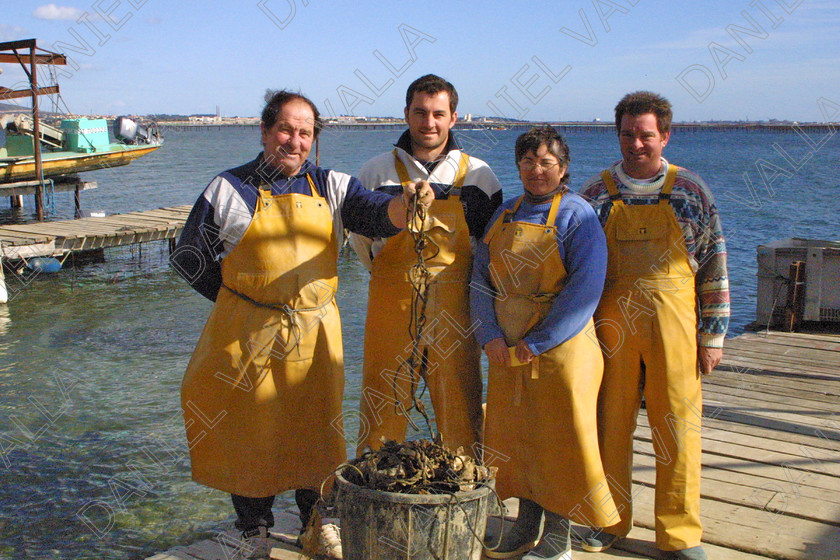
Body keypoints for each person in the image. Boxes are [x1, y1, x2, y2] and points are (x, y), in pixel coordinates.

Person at [170, 90, 434, 559]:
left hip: (316, 336)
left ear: (314, 139)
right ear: (266, 131)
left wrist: (408, 201)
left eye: (306, 132)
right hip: (249, 338)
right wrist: (235, 301)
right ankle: (255, 533)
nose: (295, 141)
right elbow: (187, 256)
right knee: (252, 434)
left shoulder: (332, 186)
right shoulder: (228, 189)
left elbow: (375, 212)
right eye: (286, 130)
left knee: (318, 432)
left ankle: (317, 524)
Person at [579, 91, 730, 560]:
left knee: (678, 427)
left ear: (665, 135)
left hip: (676, 328)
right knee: (610, 423)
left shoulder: (691, 191)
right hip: (609, 328)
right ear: (618, 135)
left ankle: (681, 534)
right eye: (628, 134)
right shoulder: (595, 194)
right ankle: (608, 521)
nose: (637, 144)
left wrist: (714, 335)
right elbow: (575, 266)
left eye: (646, 135)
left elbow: (714, 266)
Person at [471, 126, 619, 560]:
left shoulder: (579, 215)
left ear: (564, 167)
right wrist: (489, 337)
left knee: (563, 440)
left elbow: (586, 289)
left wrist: (539, 341)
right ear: (518, 165)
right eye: (528, 161)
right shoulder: (504, 214)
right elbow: (480, 279)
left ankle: (558, 535)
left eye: (547, 162)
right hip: (506, 348)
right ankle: (525, 523)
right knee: (516, 438)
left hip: (562, 350)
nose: (537, 170)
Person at [349, 74, 502, 456]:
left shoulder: (480, 176)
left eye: (438, 113)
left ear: (453, 118)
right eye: (420, 112)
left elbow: (490, 249)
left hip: (457, 313)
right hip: (391, 308)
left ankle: (466, 488)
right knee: (382, 400)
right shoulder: (374, 173)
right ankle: (373, 482)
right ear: (406, 114)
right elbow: (360, 241)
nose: (428, 122)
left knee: (462, 403)